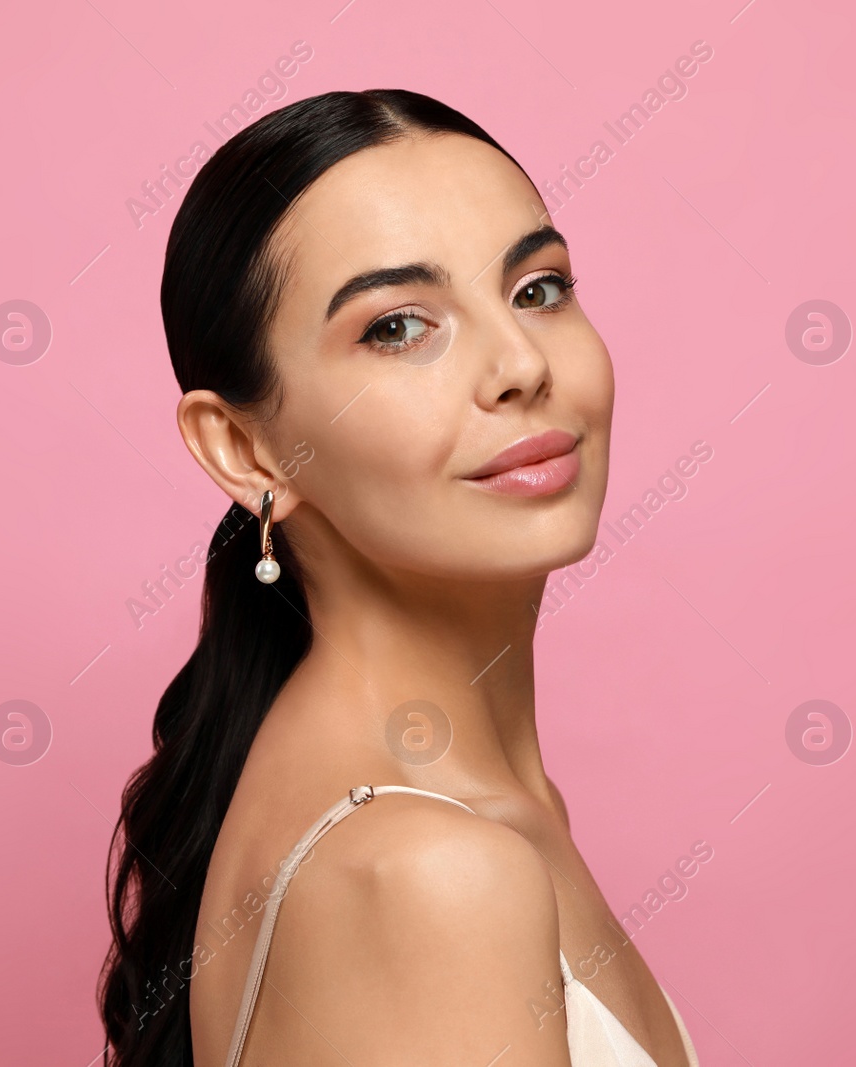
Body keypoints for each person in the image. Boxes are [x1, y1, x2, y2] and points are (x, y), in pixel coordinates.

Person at [97, 90, 698, 1067]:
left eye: (537, 288)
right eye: (398, 327)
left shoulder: (474, 810)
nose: (517, 364)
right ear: (245, 447)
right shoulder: (427, 872)